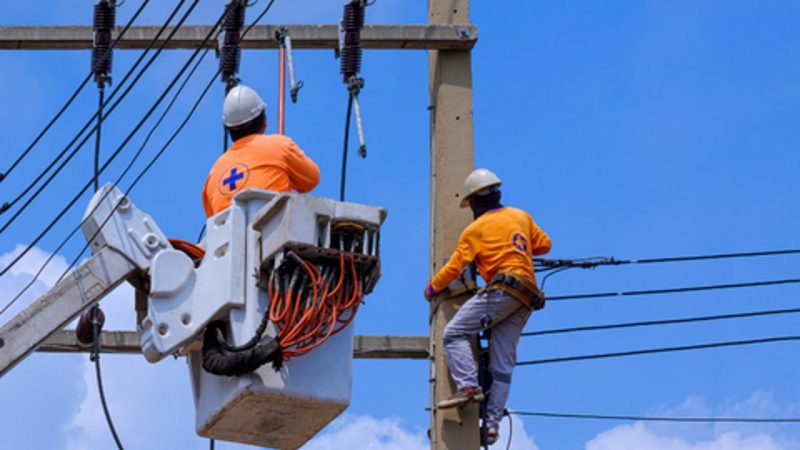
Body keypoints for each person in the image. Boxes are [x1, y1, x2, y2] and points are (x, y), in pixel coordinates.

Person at [425, 168, 551, 445]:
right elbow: (544, 245)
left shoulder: (475, 230)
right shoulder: (521, 215)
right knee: (502, 366)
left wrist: (432, 287)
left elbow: (455, 267)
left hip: (503, 291)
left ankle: (469, 387)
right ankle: (491, 426)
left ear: (475, 202)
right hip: (526, 297)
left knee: (455, 333)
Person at [202, 85, 320, 217]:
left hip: (229, 237)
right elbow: (311, 179)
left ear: (228, 130)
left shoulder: (213, 174)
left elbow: (213, 220)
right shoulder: (280, 146)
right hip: (274, 232)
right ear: (264, 121)